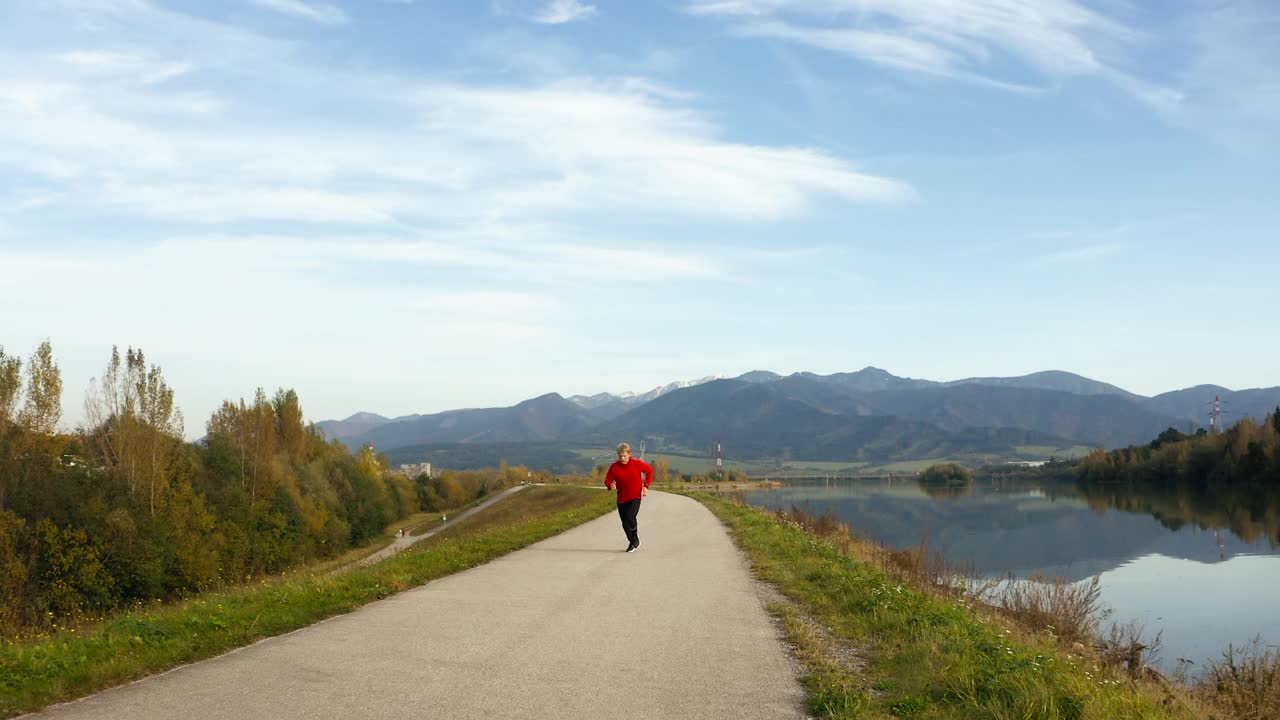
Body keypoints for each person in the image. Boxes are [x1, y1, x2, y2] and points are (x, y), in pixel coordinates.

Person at [604, 442, 653, 553]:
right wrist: (610, 485)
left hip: (635, 495)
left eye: (624, 456)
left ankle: (634, 538)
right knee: (625, 523)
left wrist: (646, 486)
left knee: (630, 517)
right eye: (620, 456)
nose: (622, 458)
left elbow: (649, 471)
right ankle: (632, 541)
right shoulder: (614, 467)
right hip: (621, 498)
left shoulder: (636, 463)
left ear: (629, 454)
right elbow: (608, 480)